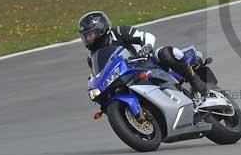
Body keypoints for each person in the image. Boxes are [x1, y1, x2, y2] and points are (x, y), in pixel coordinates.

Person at [77, 11, 212, 96]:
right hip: (126, 78)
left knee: (166, 53)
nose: (88, 39)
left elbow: (146, 36)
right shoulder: (92, 57)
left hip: (147, 63)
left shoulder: (119, 32)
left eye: (90, 35)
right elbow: (99, 73)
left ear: (101, 29)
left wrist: (146, 47)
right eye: (85, 36)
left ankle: (197, 83)